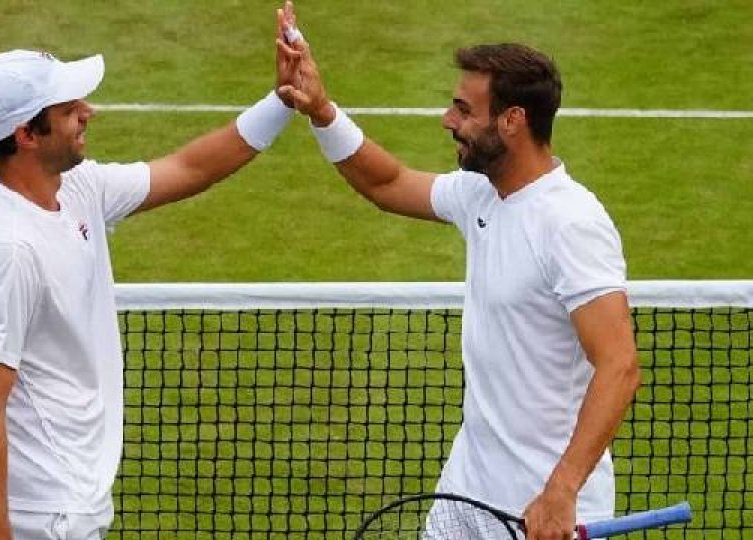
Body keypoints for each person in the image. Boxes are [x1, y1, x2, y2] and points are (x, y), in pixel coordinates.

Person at [273, 3, 641, 539]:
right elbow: (388, 183)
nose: (449, 121)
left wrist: (561, 491)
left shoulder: (571, 222)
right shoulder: (480, 194)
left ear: (512, 120)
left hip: (544, 512)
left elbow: (620, 364)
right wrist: (323, 111)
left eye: (464, 110)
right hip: (464, 492)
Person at [0, 47, 295, 539]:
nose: (87, 113)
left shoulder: (76, 188)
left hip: (73, 500)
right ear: (26, 135)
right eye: (69, 110)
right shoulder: (5, 248)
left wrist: (282, 102)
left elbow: (188, 168)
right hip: (45, 517)